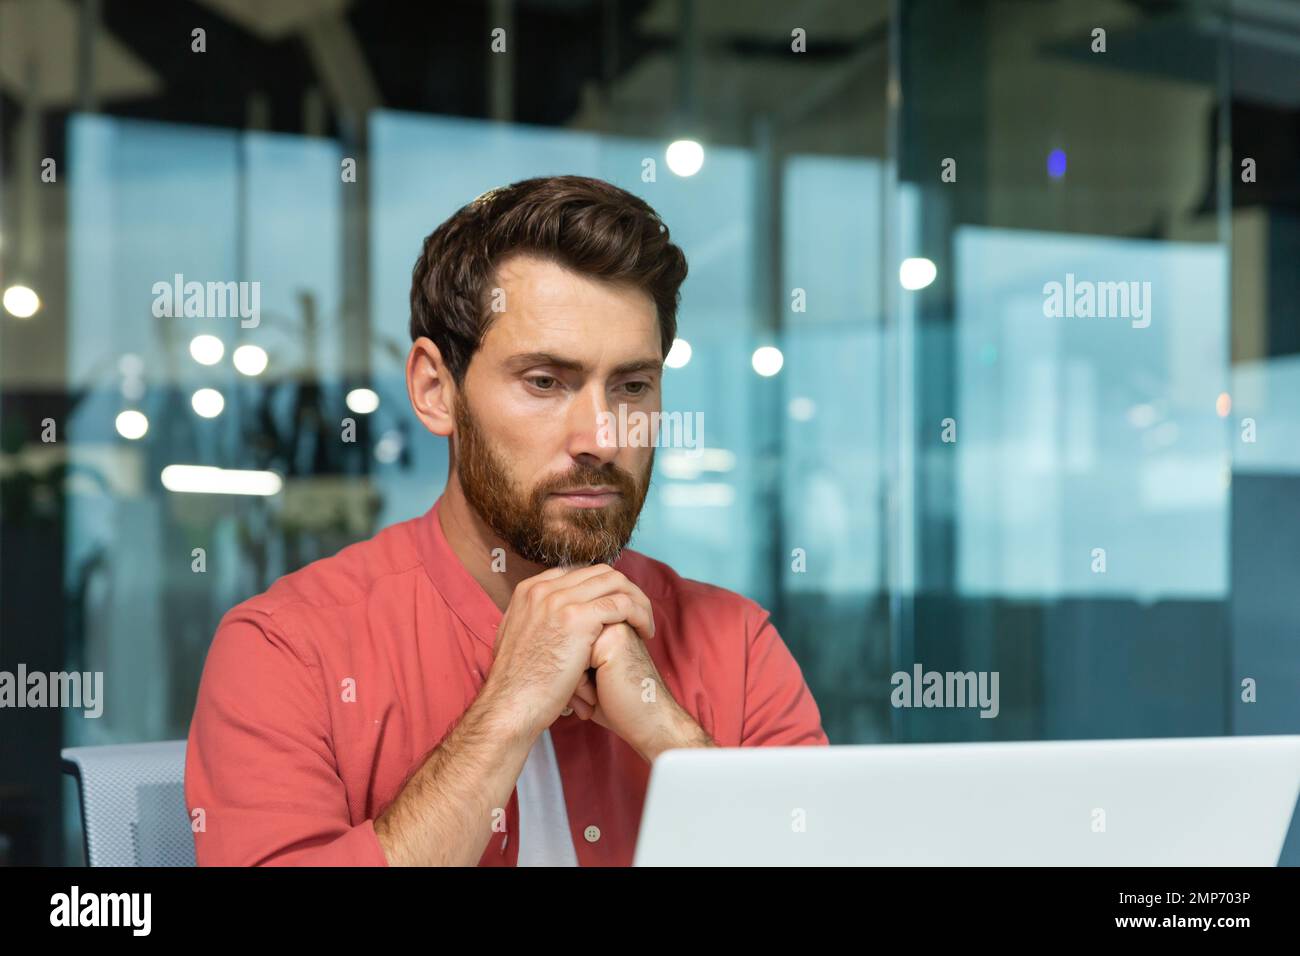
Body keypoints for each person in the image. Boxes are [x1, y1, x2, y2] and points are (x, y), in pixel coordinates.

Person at [185, 174, 828, 867]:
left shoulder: (735, 644)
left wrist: (671, 738)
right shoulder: (289, 649)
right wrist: (509, 708)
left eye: (632, 385)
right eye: (545, 382)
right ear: (436, 391)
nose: (602, 437)